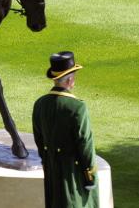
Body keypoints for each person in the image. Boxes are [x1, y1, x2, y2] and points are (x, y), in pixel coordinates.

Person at [33, 51, 99, 208]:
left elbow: (39, 139)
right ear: (69, 79)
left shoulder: (40, 104)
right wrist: (90, 176)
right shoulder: (77, 107)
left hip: (52, 172)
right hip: (74, 174)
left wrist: (48, 162)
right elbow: (85, 145)